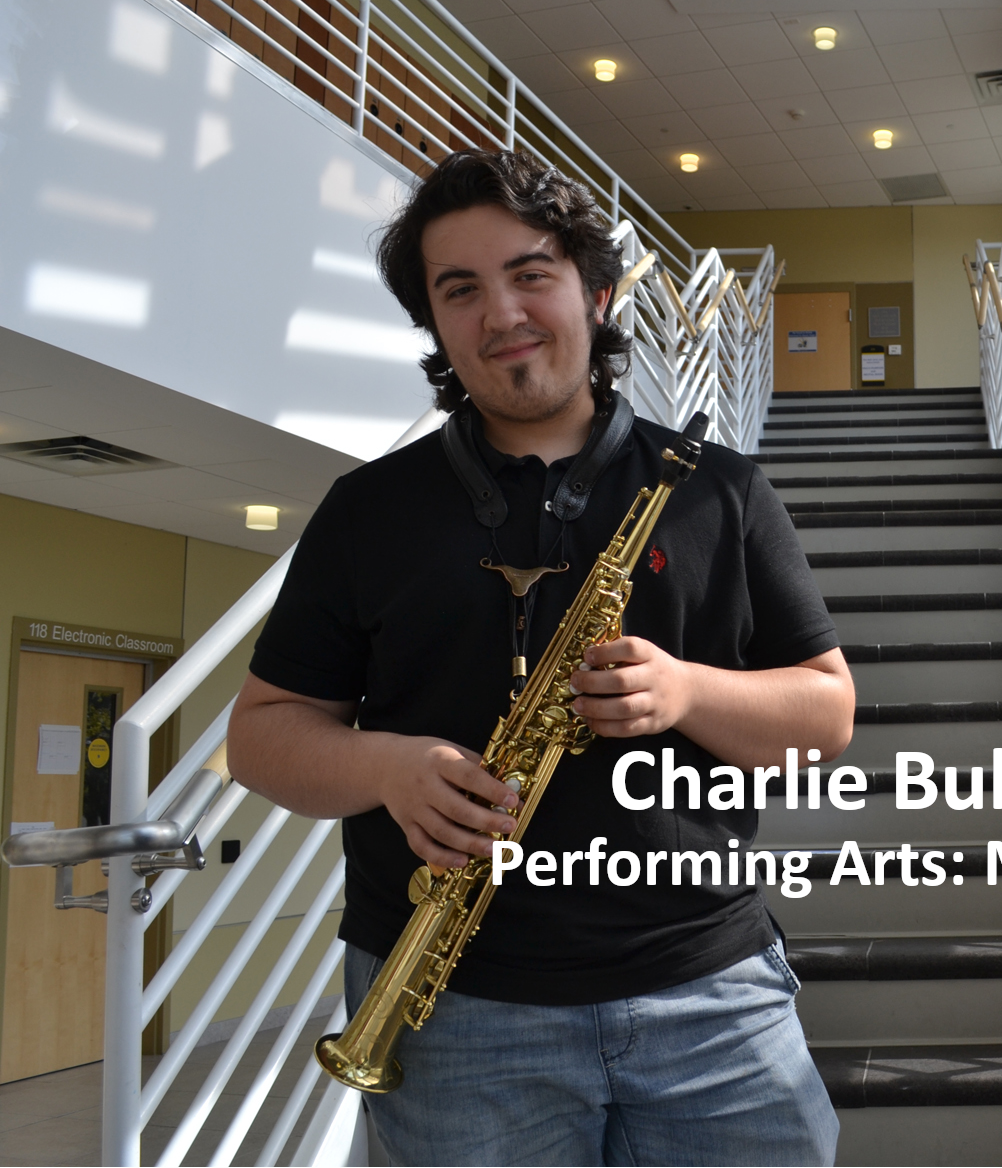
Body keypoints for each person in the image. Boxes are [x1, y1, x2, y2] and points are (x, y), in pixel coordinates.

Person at [228, 149, 851, 1166]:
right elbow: (261, 738)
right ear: (433, 323)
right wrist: (387, 767)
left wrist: (684, 690)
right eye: (459, 289)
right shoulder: (366, 512)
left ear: (597, 294)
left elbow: (827, 711)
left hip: (711, 997)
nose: (501, 312)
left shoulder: (722, 491)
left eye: (531, 274)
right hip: (451, 1011)